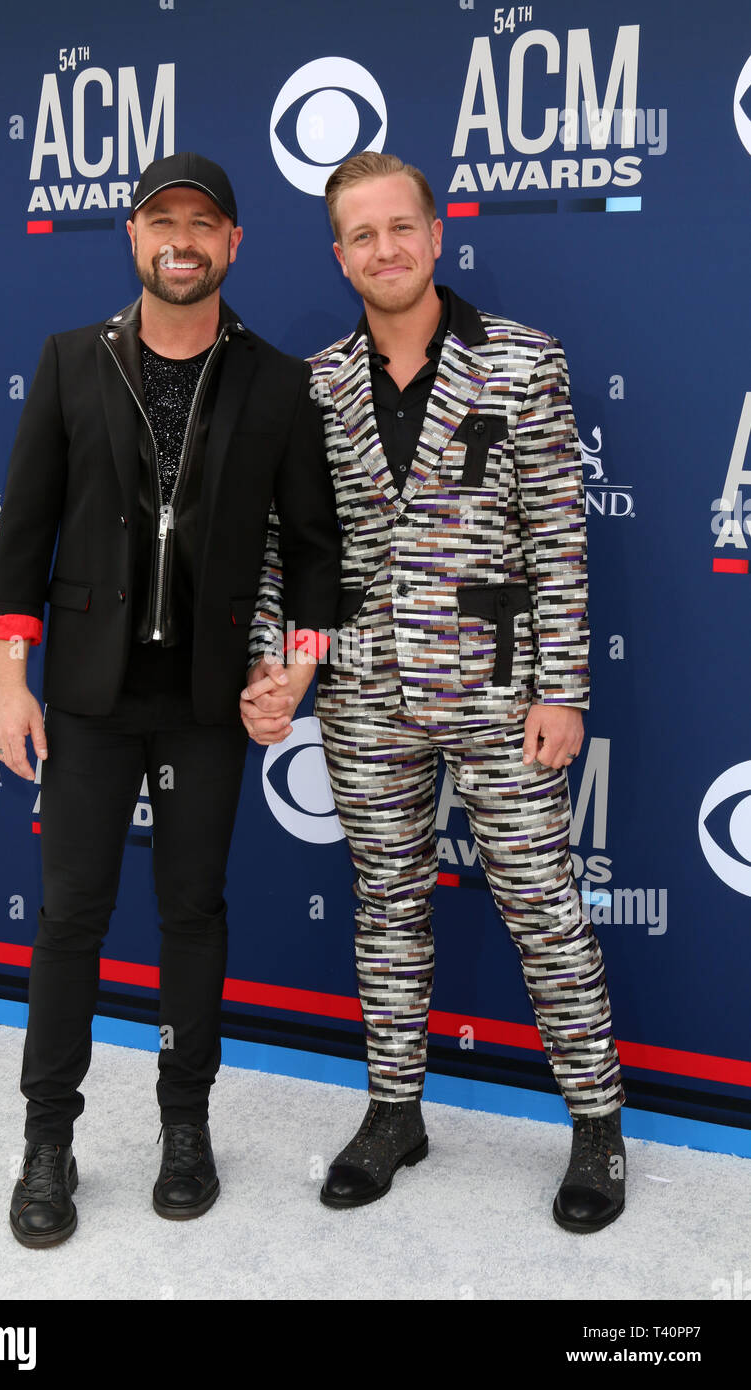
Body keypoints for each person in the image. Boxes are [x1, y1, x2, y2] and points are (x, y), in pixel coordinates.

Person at [240, 151, 625, 1233]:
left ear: (434, 230)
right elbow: (293, 555)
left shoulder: (522, 362)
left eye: (398, 226)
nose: (383, 248)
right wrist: (283, 663)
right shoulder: (310, 386)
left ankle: (595, 1120)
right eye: (360, 235)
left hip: (505, 694)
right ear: (338, 255)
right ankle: (394, 1110)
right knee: (387, 907)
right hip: (362, 694)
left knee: (540, 904)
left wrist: (563, 688)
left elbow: (556, 538)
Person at [0, 152, 339, 1246]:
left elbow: (317, 556)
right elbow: (23, 533)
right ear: (134, 241)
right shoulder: (69, 361)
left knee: (191, 914)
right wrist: (8, 681)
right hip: (84, 698)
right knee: (71, 916)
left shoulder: (278, 382)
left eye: (202, 223)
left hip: (205, 703)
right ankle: (48, 1137)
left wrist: (300, 667)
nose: (179, 239)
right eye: (159, 221)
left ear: (233, 245)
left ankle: (186, 1123)